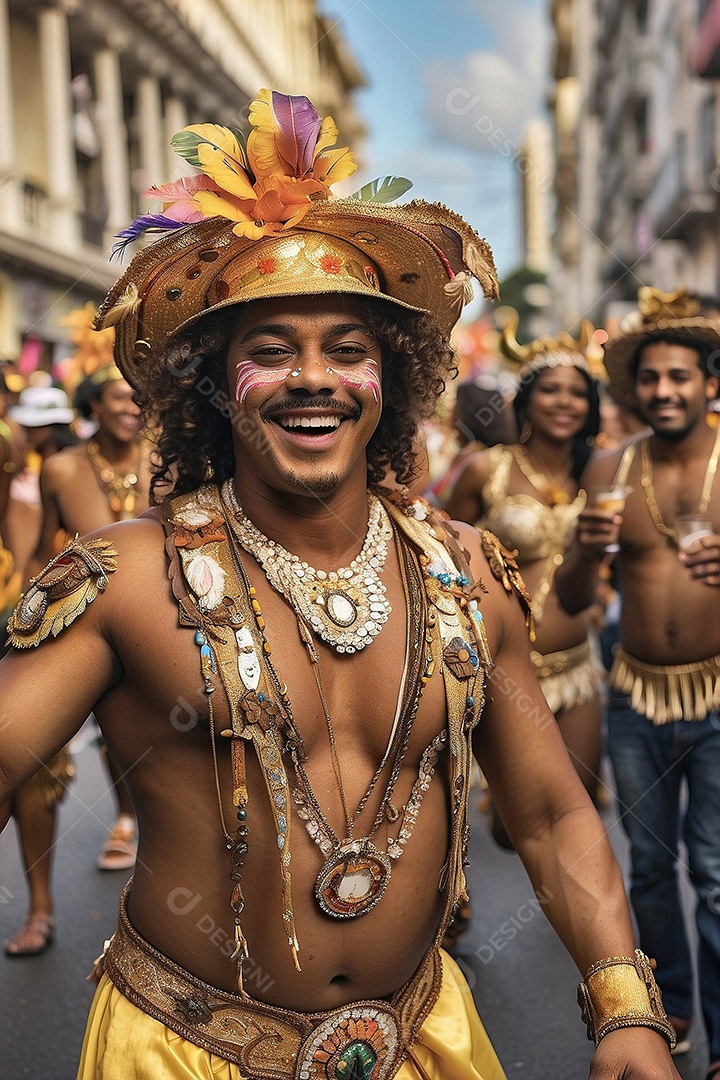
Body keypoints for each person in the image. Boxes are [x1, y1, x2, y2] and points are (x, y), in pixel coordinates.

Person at [0, 90, 679, 1080]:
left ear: (391, 382)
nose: (311, 377)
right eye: (269, 351)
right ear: (214, 384)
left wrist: (623, 1002)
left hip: (425, 1042)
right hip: (181, 1052)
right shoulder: (126, 580)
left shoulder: (465, 575)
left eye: (347, 350)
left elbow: (548, 811)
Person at [555, 286, 720, 1080]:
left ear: (708, 382)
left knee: (717, 875)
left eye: (680, 377)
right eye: (651, 378)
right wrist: (588, 550)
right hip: (632, 695)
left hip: (719, 697)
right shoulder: (612, 466)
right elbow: (572, 599)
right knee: (650, 868)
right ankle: (673, 1007)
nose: (664, 391)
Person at [444, 320, 606, 811]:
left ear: (590, 405)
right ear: (527, 399)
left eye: (577, 393)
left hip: (576, 662)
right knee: (514, 822)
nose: (564, 402)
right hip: (506, 671)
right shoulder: (487, 470)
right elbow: (441, 555)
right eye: (550, 389)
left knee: (576, 807)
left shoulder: (598, 474)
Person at [32, 362, 153, 873]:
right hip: (90, 622)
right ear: (93, 405)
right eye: (119, 397)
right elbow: (43, 552)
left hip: (163, 612)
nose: (132, 407)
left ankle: (146, 820)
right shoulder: (61, 469)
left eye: (139, 398)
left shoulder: (169, 459)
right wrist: (32, 618)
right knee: (108, 722)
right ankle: (127, 819)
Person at [2, 384, 78, 956]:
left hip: (10, 622)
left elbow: (31, 567)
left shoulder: (28, 496)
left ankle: (41, 906)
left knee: (28, 769)